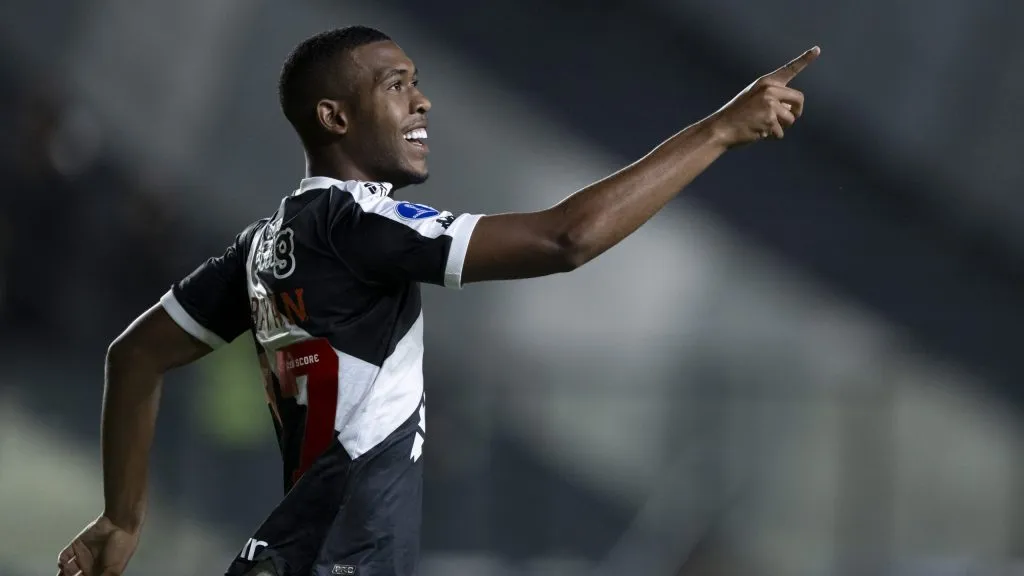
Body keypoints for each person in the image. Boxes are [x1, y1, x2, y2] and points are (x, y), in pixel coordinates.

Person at [56, 25, 819, 576]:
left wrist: (121, 518)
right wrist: (719, 131)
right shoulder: (357, 223)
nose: (421, 102)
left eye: (416, 82)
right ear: (335, 117)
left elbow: (135, 356)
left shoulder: (266, 244)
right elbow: (566, 239)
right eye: (396, 86)